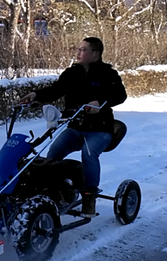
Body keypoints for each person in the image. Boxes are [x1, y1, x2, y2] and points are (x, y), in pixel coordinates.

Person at [20, 37, 127, 218]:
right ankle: (53, 190)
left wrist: (99, 103)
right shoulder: (71, 73)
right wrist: (35, 95)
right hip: (75, 127)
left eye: (83, 49)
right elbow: (56, 90)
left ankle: (89, 195)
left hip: (100, 129)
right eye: (78, 49)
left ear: (95, 54)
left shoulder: (109, 75)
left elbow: (120, 95)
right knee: (53, 152)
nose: (78, 52)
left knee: (89, 153)